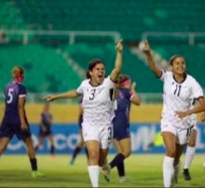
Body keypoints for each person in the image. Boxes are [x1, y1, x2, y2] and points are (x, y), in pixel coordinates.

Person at [44, 39, 123, 187]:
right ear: (91, 72)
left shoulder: (108, 83)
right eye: (98, 69)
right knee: (92, 154)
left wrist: (119, 52)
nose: (101, 71)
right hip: (89, 125)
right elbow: (75, 92)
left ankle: (105, 164)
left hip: (105, 125)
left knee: (100, 160)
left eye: (102, 69)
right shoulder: (84, 85)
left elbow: (117, 69)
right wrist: (56, 96)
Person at [142, 40, 205, 188]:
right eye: (177, 63)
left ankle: (175, 173)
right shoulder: (167, 77)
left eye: (182, 63)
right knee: (170, 151)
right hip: (168, 120)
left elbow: (203, 105)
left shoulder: (192, 83)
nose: (180, 65)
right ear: (171, 66)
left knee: (177, 158)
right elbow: (153, 68)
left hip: (185, 124)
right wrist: (147, 53)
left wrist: (187, 112)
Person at [0, 66, 43, 178]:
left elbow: (7, 105)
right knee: (29, 144)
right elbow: (20, 106)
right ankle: (35, 171)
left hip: (7, 119)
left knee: (2, 145)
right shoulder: (21, 88)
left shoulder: (7, 87)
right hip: (18, 119)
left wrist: (4, 119)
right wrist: (22, 122)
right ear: (21, 76)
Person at [102, 74, 140, 183]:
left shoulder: (113, 93)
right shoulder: (126, 92)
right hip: (121, 124)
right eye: (129, 82)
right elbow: (137, 101)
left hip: (110, 125)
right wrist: (133, 90)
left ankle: (122, 178)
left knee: (120, 154)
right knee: (126, 152)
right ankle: (108, 167)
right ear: (126, 83)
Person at [182, 102, 205, 181]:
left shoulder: (195, 89)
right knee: (176, 149)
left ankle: (186, 169)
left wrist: (204, 113)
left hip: (191, 119)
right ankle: (174, 168)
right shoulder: (174, 89)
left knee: (192, 142)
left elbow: (202, 102)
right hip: (178, 119)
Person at [69, 96, 89, 165]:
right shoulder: (82, 98)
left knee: (87, 142)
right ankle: (73, 158)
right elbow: (81, 111)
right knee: (83, 141)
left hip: (91, 121)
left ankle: (90, 161)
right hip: (83, 121)